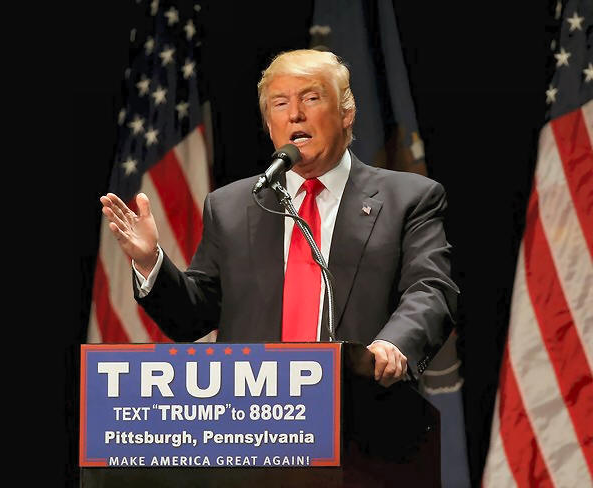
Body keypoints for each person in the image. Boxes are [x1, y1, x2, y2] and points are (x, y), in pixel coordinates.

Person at [100, 49, 458, 387]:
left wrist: (393, 344)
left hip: (362, 405)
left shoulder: (408, 199)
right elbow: (192, 317)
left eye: (311, 98)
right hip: (258, 417)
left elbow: (430, 290)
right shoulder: (230, 206)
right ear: (269, 124)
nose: (295, 114)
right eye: (280, 103)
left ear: (346, 113)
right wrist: (149, 262)